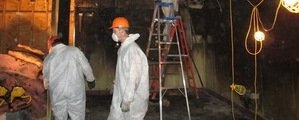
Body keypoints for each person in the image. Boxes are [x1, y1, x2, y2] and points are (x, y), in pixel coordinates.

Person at [43, 36, 95, 120]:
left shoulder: (48, 58)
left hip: (57, 92)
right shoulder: (74, 51)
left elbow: (46, 82)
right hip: (75, 90)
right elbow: (86, 67)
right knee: (77, 116)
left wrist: (47, 87)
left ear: (51, 44)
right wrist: (91, 80)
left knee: (59, 117)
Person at [107, 17, 149, 120]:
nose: (113, 34)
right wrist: (115, 84)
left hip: (133, 101)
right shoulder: (123, 48)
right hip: (122, 95)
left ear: (121, 31)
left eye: (114, 31)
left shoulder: (132, 50)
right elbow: (122, 72)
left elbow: (133, 77)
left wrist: (127, 100)